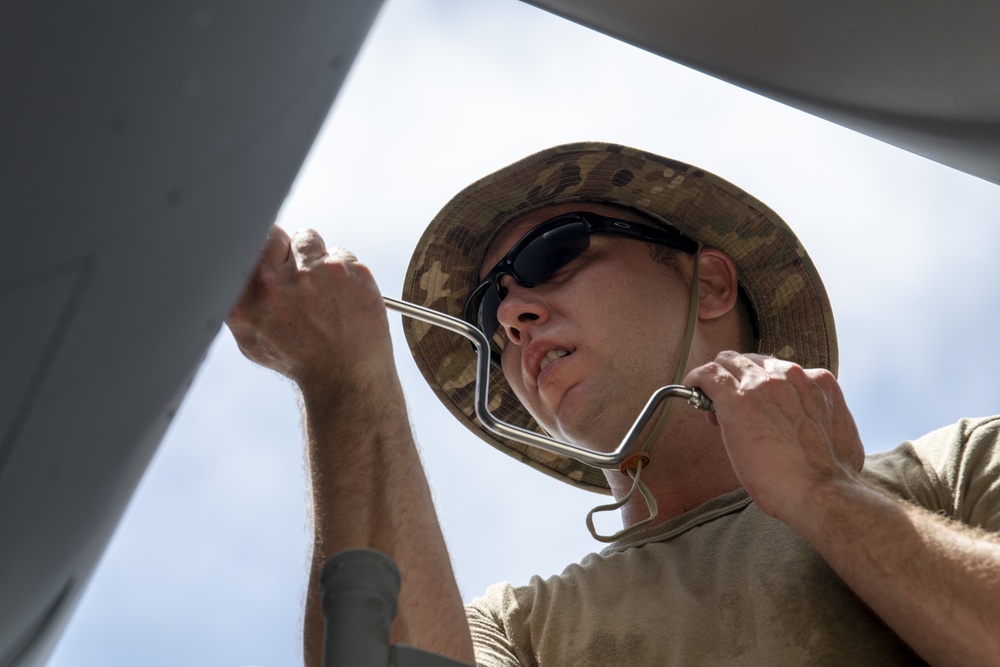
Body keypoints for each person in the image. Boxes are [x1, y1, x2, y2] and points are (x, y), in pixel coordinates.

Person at [227, 142, 1000, 666]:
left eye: (552, 254)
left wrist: (823, 495)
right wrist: (347, 384)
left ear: (714, 284)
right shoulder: (517, 630)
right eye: (491, 307)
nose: (509, 313)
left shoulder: (955, 467)